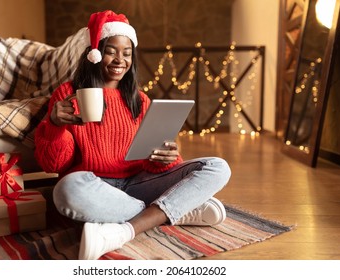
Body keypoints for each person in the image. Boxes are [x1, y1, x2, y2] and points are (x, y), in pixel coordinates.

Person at [34, 10, 231, 260]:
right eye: (110, 51)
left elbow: (151, 163)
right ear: (94, 54)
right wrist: (54, 125)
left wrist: (166, 158)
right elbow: (54, 164)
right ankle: (171, 211)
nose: (120, 60)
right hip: (95, 187)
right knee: (65, 191)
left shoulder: (140, 100)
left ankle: (128, 229)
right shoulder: (68, 93)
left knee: (218, 167)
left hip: (138, 183)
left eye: (126, 54)